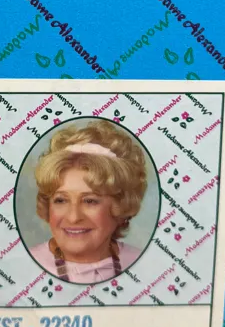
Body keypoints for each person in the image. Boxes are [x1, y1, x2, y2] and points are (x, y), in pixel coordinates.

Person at [29, 120, 148, 284]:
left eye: (90, 201)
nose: (73, 217)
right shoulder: (25, 266)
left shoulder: (145, 264)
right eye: (61, 200)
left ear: (120, 206)